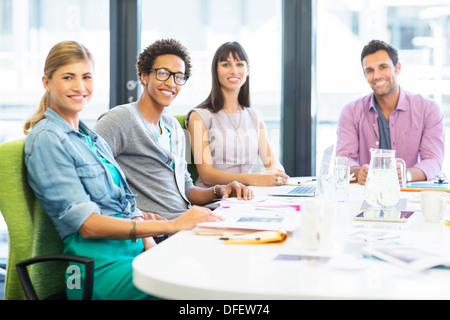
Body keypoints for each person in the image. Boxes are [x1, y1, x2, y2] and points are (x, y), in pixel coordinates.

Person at [23, 41, 222, 300]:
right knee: (199, 288)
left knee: (216, 271)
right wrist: (172, 225)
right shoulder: (48, 140)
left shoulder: (89, 138)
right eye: (68, 77)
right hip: (98, 267)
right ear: (47, 82)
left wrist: (150, 245)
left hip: (131, 251)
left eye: (86, 77)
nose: (79, 86)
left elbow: (128, 205)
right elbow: (87, 226)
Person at [94, 39, 253, 221]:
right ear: (144, 76)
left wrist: (220, 190)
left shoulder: (174, 127)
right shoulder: (121, 119)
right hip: (157, 229)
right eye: (163, 73)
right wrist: (136, 216)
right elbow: (91, 175)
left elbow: (187, 190)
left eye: (178, 76)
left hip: (185, 220)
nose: (171, 83)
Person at [336, 39, 445, 185]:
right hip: (365, 200)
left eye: (383, 67)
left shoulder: (428, 109)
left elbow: (433, 160)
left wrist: (407, 174)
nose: (376, 76)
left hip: (410, 201)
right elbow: (343, 159)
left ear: (397, 68)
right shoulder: (351, 112)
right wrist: (358, 172)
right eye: (370, 70)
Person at [185, 41, 289, 188]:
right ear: (215, 70)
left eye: (239, 64)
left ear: (248, 70)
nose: (234, 71)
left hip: (245, 197)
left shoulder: (254, 116)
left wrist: (277, 174)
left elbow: (273, 163)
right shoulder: (199, 116)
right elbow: (207, 176)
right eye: (226, 65)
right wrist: (255, 179)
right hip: (213, 200)